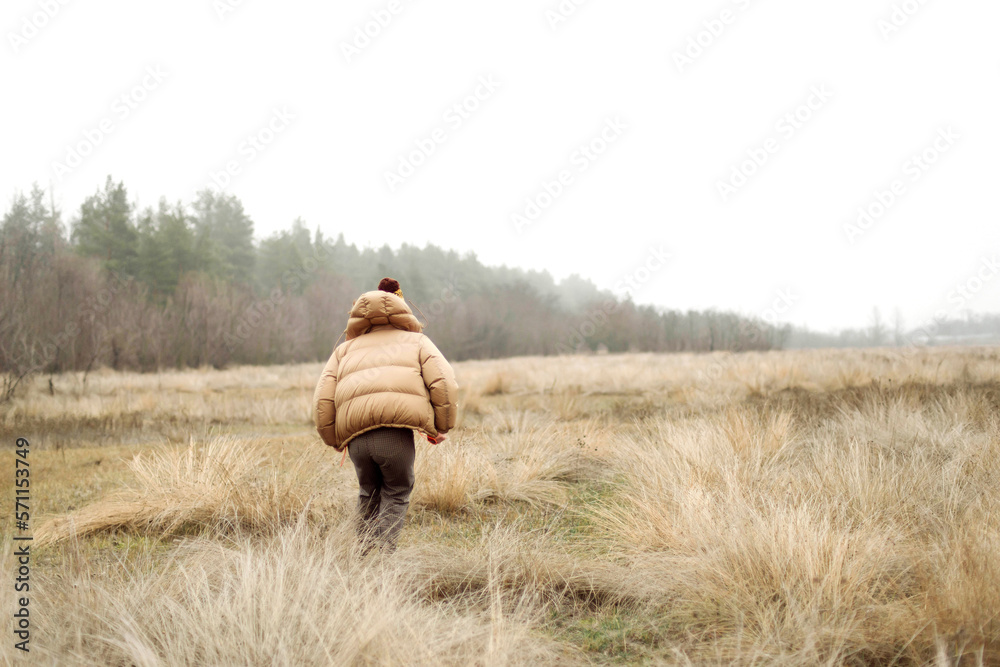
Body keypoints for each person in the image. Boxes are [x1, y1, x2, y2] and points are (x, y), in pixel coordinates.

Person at [313, 277, 459, 553]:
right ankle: (383, 559)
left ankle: (363, 556)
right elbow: (443, 381)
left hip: (356, 439)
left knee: (368, 493)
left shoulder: (343, 350)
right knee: (397, 490)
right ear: (402, 307)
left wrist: (332, 438)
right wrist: (443, 425)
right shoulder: (417, 341)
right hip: (393, 434)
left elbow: (322, 396)